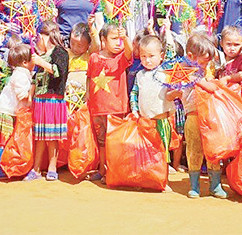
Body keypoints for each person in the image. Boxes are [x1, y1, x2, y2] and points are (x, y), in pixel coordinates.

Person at [130, 35, 179, 191]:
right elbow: (134, 93)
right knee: (145, 152)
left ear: (161, 56)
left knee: (163, 153)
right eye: (143, 56)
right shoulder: (139, 75)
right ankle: (146, 180)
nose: (147, 60)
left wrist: (167, 31)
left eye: (151, 56)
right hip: (145, 122)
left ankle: (163, 181)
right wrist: (134, 109)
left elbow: (171, 51)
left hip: (161, 121)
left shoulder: (165, 71)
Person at [183, 32, 227, 199]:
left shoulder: (205, 68)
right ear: (190, 56)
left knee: (213, 149)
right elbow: (210, 88)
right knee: (194, 149)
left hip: (209, 115)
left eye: (208, 61)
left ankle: (215, 185)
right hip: (193, 115)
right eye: (203, 61)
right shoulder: (187, 71)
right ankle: (194, 186)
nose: (206, 64)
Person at [86, 24, 132, 182]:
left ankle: (113, 171)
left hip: (116, 108)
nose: (118, 42)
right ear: (103, 40)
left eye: (120, 39)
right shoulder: (94, 58)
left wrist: (125, 38)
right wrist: (87, 95)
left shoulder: (121, 58)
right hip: (97, 108)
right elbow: (89, 78)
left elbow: (130, 52)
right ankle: (102, 169)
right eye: (114, 39)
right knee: (102, 141)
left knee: (115, 141)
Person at [27, 21, 69, 182]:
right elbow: (35, 79)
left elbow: (59, 72)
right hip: (40, 100)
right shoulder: (42, 55)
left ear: (42, 37)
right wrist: (30, 97)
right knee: (40, 136)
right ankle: (36, 168)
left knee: (51, 137)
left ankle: (52, 167)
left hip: (53, 99)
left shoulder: (60, 52)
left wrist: (41, 63)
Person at [0, 44, 34, 179]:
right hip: (7, 112)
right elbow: (22, 95)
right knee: (3, 141)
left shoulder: (22, 73)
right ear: (25, 62)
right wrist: (33, 89)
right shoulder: (20, 75)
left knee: (4, 140)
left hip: (8, 111)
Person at [216, 26, 242, 100]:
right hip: (221, 92)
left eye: (236, 45)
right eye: (228, 44)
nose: (232, 48)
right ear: (221, 43)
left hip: (236, 93)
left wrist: (228, 79)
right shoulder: (219, 59)